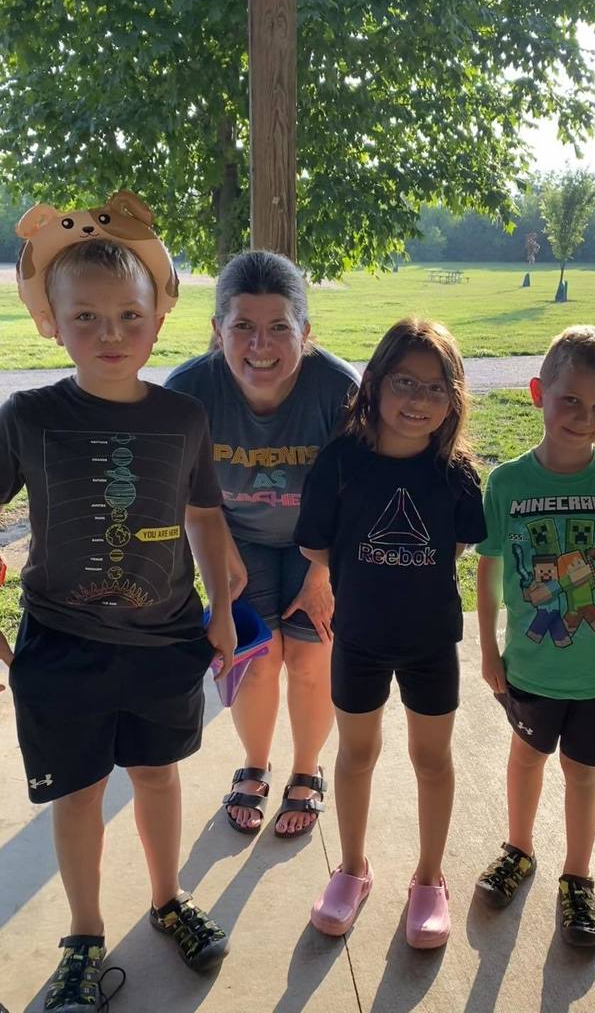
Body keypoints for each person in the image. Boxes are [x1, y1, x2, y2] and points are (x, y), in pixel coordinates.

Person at [2, 233, 237, 1011]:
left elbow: (204, 513)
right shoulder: (27, 416)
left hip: (165, 640)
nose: (110, 334)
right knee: (77, 795)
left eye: (128, 316)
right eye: (88, 317)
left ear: (158, 320)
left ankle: (169, 900)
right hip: (61, 647)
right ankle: (83, 935)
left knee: (159, 776)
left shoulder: (184, 416)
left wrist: (224, 609)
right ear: (51, 322)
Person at [295, 317, 486, 948]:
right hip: (359, 639)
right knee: (355, 756)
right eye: (405, 382)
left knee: (432, 760)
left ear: (453, 400)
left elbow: (455, 545)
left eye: (437, 388)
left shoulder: (456, 475)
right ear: (374, 384)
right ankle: (352, 869)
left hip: (431, 640)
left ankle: (429, 879)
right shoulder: (340, 463)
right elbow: (319, 548)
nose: (419, 400)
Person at [166, 251, 359, 838]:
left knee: (309, 656)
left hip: (319, 545)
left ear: (306, 331)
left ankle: (306, 769)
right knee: (256, 661)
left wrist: (322, 575)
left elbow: (355, 494)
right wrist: (218, 551)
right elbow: (183, 489)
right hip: (237, 538)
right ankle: (254, 763)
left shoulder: (339, 389)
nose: (261, 345)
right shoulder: (189, 390)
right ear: (217, 331)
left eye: (279, 327)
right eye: (243, 326)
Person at [474, 325, 595, 947]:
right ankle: (518, 849)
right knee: (525, 758)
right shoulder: (508, 484)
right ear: (537, 393)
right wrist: (488, 646)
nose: (584, 417)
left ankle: (578, 877)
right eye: (570, 399)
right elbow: (490, 569)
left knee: (583, 772)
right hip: (529, 667)